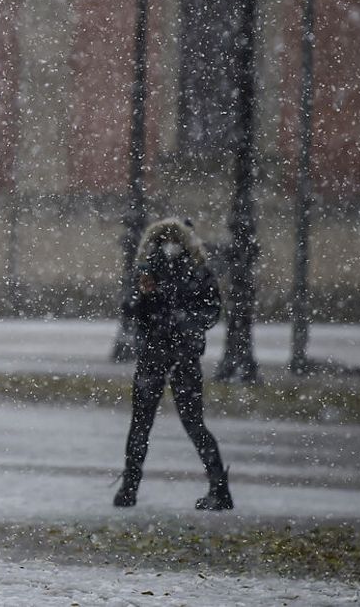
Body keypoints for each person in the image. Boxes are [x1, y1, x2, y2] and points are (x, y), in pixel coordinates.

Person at [113, 218, 232, 511]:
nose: (169, 246)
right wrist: (145, 296)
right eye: (164, 241)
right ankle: (131, 487)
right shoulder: (158, 269)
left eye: (173, 240)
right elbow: (130, 308)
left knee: (165, 424)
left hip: (172, 354)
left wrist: (178, 319)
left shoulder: (193, 270)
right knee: (155, 424)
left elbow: (210, 311)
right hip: (165, 354)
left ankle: (132, 488)